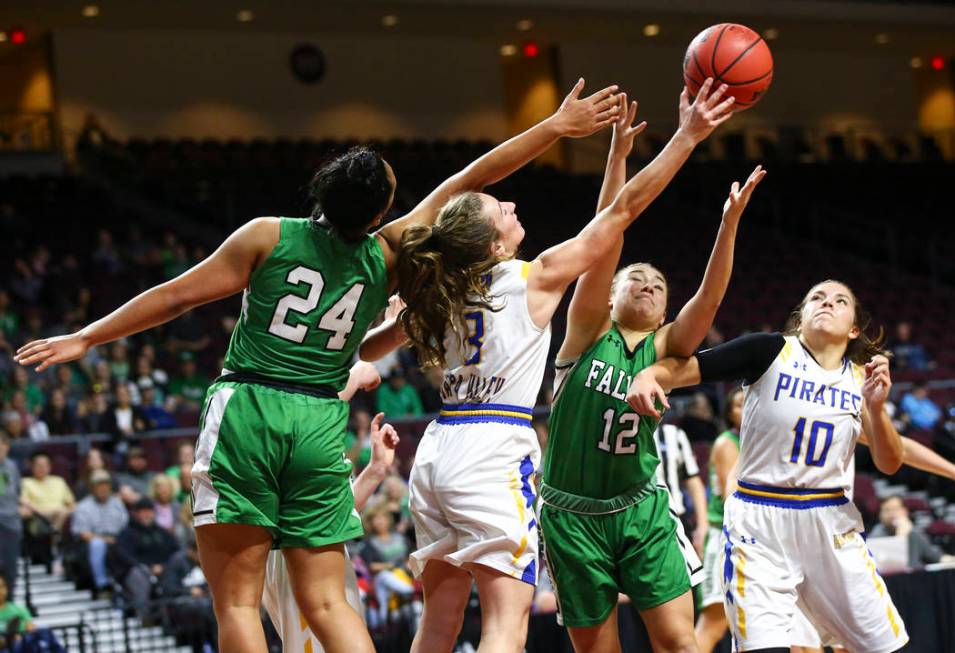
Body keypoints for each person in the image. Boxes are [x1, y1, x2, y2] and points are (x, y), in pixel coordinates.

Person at [16, 80, 620, 653]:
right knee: (331, 602)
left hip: (249, 408)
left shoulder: (267, 236)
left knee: (238, 607)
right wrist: (556, 128)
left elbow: (175, 295)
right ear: (384, 208)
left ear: (321, 190)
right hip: (319, 421)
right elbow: (472, 175)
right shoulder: (387, 253)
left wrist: (87, 337)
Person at [362, 79, 737, 653]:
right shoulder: (531, 277)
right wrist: (687, 136)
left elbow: (368, 349)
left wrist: (396, 313)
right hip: (492, 448)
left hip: (437, 451)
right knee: (504, 628)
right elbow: (623, 215)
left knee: (437, 624)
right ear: (493, 246)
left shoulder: (439, 290)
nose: (512, 205)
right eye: (499, 209)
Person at [537, 83, 757, 653]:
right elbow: (607, 231)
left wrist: (728, 226)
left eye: (658, 285)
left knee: (681, 643)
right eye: (635, 277)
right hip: (569, 513)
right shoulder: (586, 331)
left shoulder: (665, 349)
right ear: (608, 295)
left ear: (664, 307)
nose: (648, 284)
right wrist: (615, 161)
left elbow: (707, 302)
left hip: (641, 509)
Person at [626, 280, 911, 653]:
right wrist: (649, 375)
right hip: (761, 520)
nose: (827, 303)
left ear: (854, 328)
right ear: (801, 317)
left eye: (840, 301)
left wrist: (875, 407)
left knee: (886, 646)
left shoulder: (861, 381)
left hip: (830, 522)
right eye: (817, 298)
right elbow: (685, 369)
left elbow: (890, 463)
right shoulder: (769, 351)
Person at [652, 422, 707, 554]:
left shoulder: (674, 434)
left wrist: (702, 525)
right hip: (640, 522)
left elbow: (692, 479)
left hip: (676, 518)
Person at [71, 469, 128, 595]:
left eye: (105, 485)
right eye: (99, 485)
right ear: (92, 487)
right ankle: (101, 584)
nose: (103, 488)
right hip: (92, 543)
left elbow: (125, 526)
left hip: (117, 539)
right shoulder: (83, 506)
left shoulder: (117, 503)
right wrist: (106, 540)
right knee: (97, 544)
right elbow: (83, 534)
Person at [869, 495, 955, 569]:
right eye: (887, 510)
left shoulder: (912, 532)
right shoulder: (876, 535)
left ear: (905, 511)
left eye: (895, 509)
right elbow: (894, 565)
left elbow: (935, 556)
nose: (892, 514)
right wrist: (901, 536)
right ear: (880, 515)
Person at [0, 433, 22, 598]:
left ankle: (9, 601)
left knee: (11, 568)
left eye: (2, 445)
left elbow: (16, 492)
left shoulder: (12, 466)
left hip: (11, 524)